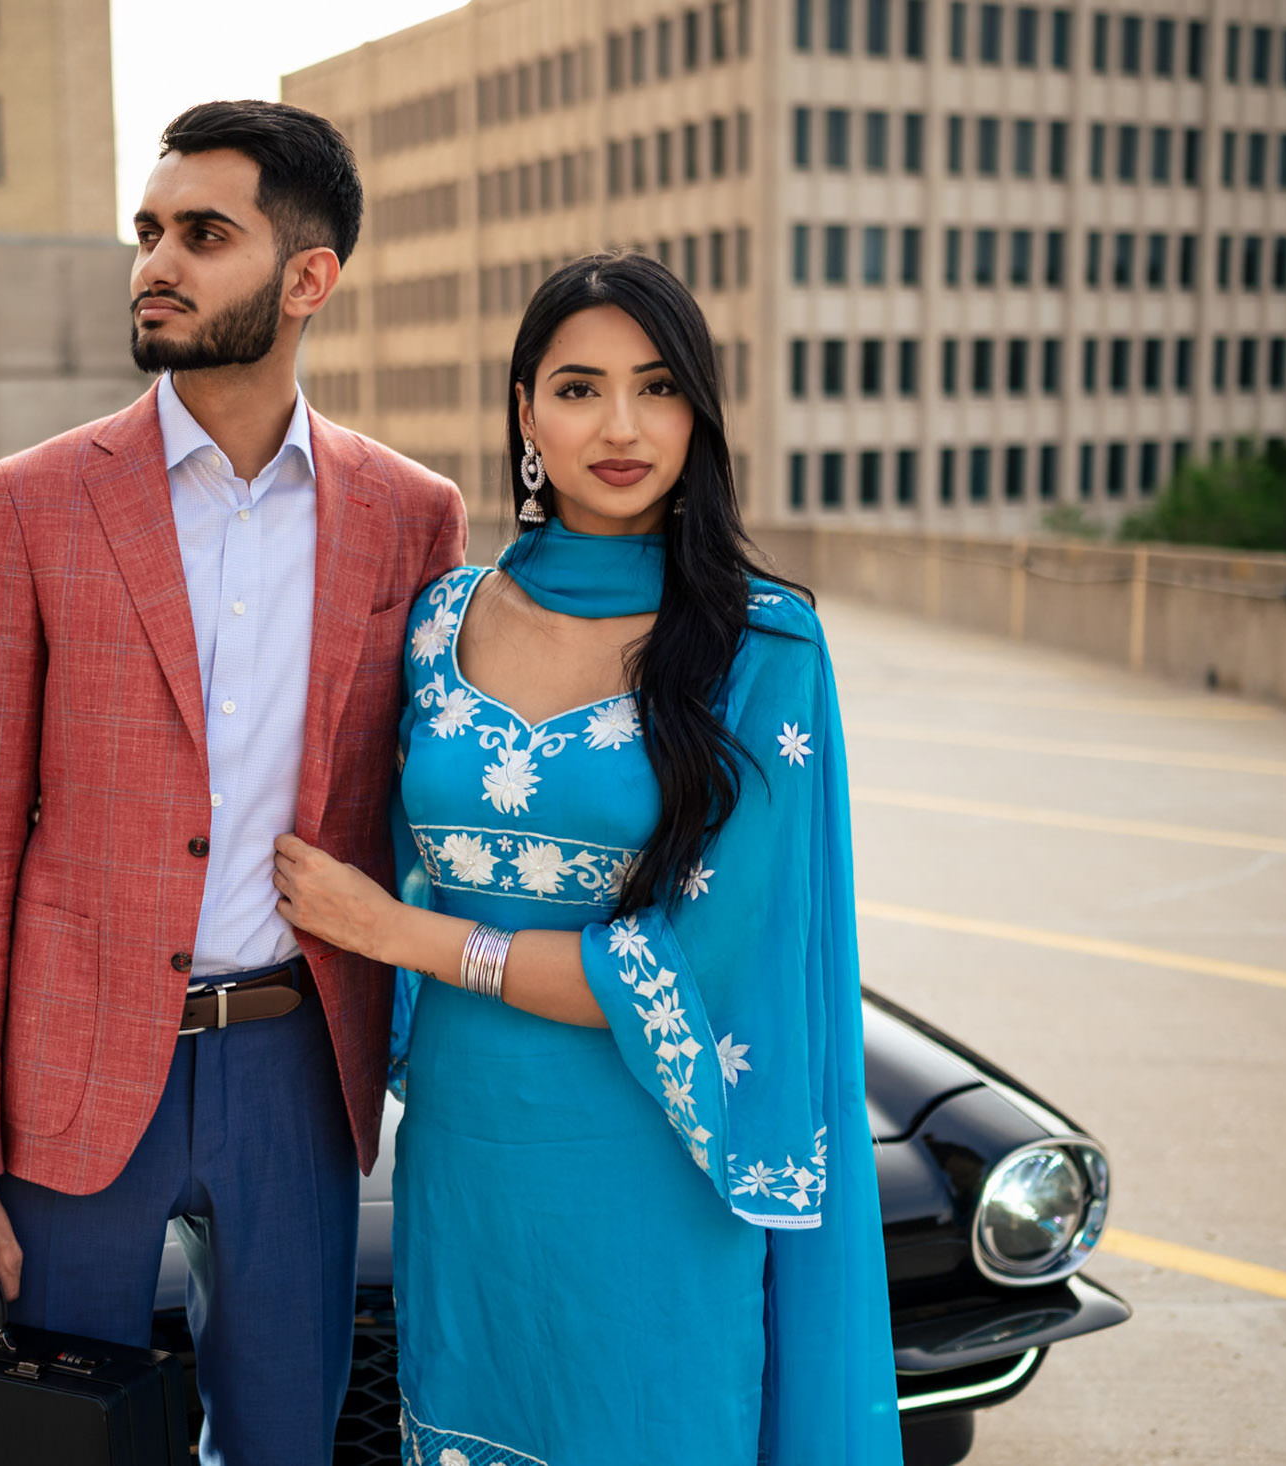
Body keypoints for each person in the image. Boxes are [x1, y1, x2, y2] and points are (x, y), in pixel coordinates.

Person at [0, 99, 466, 1466]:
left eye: (204, 235)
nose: (157, 261)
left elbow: (438, 807)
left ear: (308, 278)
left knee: (283, 1441)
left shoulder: (413, 514)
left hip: (297, 1062)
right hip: (75, 1069)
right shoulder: (32, 500)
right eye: (148, 231)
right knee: (58, 1441)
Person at [271, 251, 903, 1466]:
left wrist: (410, 937)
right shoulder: (436, 619)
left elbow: (702, 962)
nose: (620, 426)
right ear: (523, 413)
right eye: (577, 388)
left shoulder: (761, 645)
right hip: (467, 1150)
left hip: (655, 1155)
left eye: (656, 387)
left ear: (698, 413)